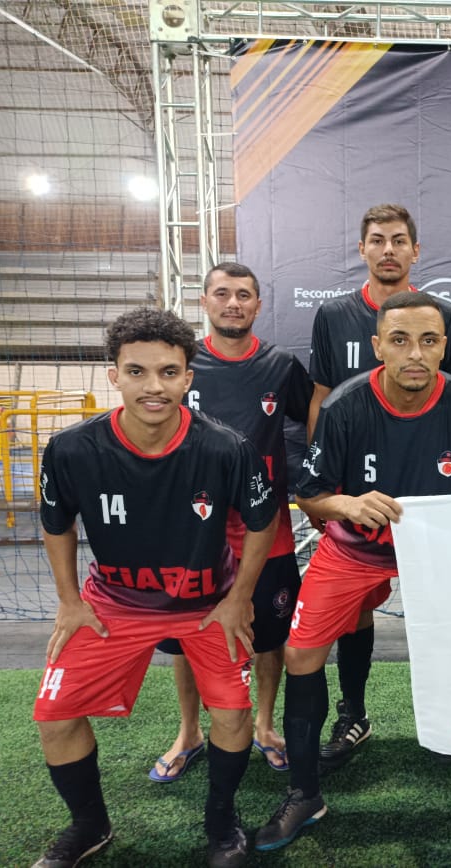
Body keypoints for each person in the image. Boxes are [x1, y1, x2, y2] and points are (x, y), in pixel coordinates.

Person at [256, 292, 451, 851]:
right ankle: (305, 794)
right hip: (354, 551)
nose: (415, 353)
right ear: (378, 346)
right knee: (301, 654)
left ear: (445, 347)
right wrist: (349, 504)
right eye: (400, 340)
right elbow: (312, 495)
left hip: (438, 553)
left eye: (428, 340)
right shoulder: (345, 405)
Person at [33, 308, 279, 868]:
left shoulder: (225, 447)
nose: (154, 386)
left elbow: (262, 522)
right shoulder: (72, 449)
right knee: (55, 716)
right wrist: (70, 601)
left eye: (168, 372)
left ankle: (221, 822)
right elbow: (56, 521)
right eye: (137, 372)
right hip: (113, 603)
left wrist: (238, 598)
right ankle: (89, 825)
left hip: (206, 606)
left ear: (187, 378)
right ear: (114, 376)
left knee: (232, 714)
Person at [304, 203, 451, 772]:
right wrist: (326, 492)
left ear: (414, 251)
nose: (388, 250)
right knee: (346, 617)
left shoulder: (446, 319)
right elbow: (321, 398)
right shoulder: (335, 317)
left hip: (431, 504)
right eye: (377, 240)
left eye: (399, 240)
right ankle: (352, 714)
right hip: (357, 501)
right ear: (363, 249)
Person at [149, 263, 311, 784]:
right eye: (222, 294)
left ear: (258, 306)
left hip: (269, 530)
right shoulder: (181, 364)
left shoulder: (281, 365)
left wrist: (317, 484)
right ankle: (189, 732)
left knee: (270, 635)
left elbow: (317, 420)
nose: (233, 303)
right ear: (204, 302)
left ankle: (265, 725)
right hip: (192, 532)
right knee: (185, 635)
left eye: (244, 295)